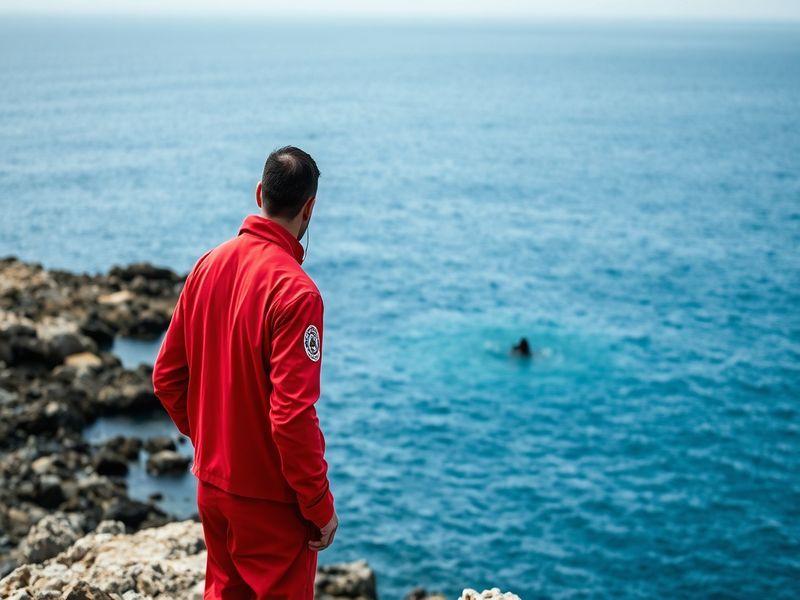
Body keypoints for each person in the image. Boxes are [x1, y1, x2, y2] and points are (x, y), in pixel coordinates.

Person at [152, 146, 337, 600]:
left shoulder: (207, 265)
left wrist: (212, 442)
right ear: (309, 208)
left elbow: (167, 378)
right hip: (272, 503)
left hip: (213, 488)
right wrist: (319, 506)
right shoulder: (297, 293)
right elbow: (291, 416)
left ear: (260, 194)